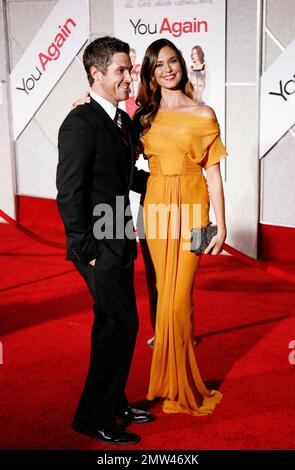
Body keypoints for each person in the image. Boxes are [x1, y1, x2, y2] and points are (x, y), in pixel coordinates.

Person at [56, 36, 154, 446]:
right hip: (97, 242)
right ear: (96, 73)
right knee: (119, 323)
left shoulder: (121, 120)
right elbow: (69, 190)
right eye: (121, 70)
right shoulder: (80, 122)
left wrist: (170, 185)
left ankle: (113, 403)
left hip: (116, 231)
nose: (129, 77)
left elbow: (122, 176)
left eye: (130, 70)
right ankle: (93, 416)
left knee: (117, 324)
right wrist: (86, 249)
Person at [133, 38, 227, 416]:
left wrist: (220, 225)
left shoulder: (203, 114)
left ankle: (184, 383)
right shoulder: (145, 116)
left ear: (183, 67)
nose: (169, 69)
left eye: (173, 61)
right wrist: (84, 104)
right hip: (155, 208)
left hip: (194, 208)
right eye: (159, 65)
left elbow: (215, 175)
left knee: (178, 299)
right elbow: (113, 142)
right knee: (162, 291)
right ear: (151, 74)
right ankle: (167, 382)